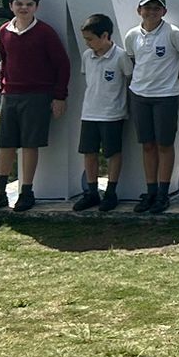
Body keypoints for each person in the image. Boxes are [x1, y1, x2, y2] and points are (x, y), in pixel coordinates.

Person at [0, 0, 70, 222]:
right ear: (11, 6)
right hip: (11, 94)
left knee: (30, 145)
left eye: (29, 4)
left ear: (36, 7)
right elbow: (4, 60)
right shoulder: (4, 30)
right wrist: (3, 85)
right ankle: (0, 192)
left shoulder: (44, 32)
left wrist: (59, 96)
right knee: (5, 144)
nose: (24, 8)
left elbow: (62, 64)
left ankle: (26, 191)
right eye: (19, 4)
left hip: (37, 95)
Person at [122, 0, 179, 215]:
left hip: (166, 96)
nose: (151, 12)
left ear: (164, 11)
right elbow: (133, 60)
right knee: (147, 145)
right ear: (139, 10)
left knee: (165, 145)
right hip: (140, 95)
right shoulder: (132, 35)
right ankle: (151, 191)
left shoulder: (172, 33)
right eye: (147, 7)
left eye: (156, 8)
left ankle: (163, 193)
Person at [71, 12, 127, 213]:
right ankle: (92, 192)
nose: (87, 44)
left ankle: (111, 192)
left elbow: (130, 79)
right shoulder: (87, 56)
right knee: (89, 153)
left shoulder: (121, 56)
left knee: (113, 153)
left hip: (112, 113)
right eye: (85, 39)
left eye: (90, 39)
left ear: (105, 35)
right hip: (89, 113)